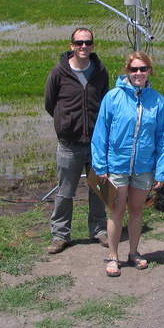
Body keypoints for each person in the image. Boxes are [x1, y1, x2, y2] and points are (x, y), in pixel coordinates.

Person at [91, 52, 164, 277]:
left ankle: (134, 252)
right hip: (117, 165)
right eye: (134, 69)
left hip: (144, 167)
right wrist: (101, 167)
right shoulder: (113, 97)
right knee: (116, 210)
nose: (138, 73)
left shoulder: (157, 100)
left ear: (149, 71)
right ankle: (113, 256)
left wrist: (162, 169)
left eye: (143, 69)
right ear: (127, 71)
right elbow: (101, 133)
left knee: (136, 211)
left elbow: (163, 137)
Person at [44, 28, 109, 254]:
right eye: (79, 43)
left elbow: (105, 102)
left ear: (92, 45)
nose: (84, 47)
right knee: (65, 191)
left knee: (99, 188)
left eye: (88, 43)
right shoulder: (58, 73)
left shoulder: (100, 71)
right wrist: (66, 124)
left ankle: (99, 230)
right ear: (71, 45)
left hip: (96, 143)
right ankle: (60, 235)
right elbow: (50, 104)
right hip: (69, 145)